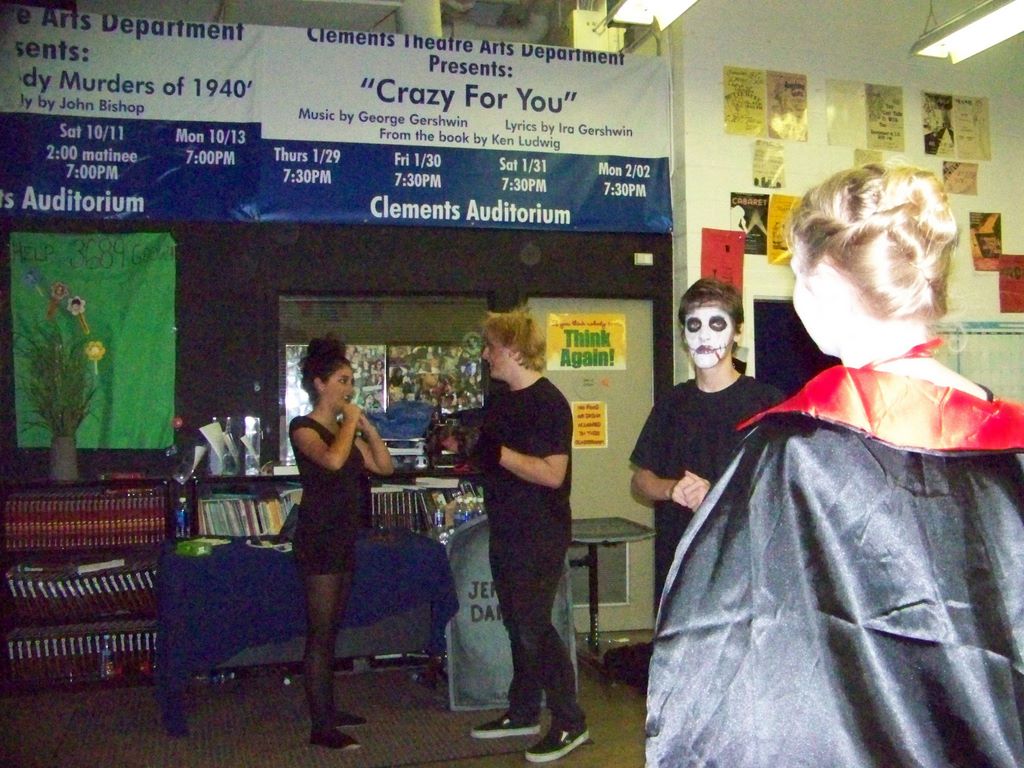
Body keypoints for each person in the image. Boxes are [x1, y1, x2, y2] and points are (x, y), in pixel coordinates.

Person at [645, 163, 1024, 767]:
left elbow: (729, 661)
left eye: (797, 276)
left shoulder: (794, 453)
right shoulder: (1008, 447)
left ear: (822, 283)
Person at [460, 307, 589, 763]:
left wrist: (498, 453)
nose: (485, 355)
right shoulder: (500, 401)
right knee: (516, 621)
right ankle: (523, 709)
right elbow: (492, 460)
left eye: (491, 347)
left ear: (513, 349)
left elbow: (553, 474)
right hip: (506, 527)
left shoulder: (549, 403)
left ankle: (570, 719)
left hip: (540, 531)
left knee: (534, 623)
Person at [630, 278, 782, 604]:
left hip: (742, 573)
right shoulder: (672, 403)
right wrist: (672, 489)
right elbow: (641, 480)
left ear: (737, 332)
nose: (704, 336)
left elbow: (781, 490)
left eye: (716, 324)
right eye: (694, 325)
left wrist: (716, 496)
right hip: (679, 567)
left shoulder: (766, 403)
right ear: (683, 335)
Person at [290, 335, 394, 750]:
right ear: (320, 384)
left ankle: (328, 709)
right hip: (318, 540)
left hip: (343, 538)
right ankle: (321, 727)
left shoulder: (344, 431)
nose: (350, 389)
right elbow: (332, 461)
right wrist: (349, 422)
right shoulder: (304, 428)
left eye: (351, 381)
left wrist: (367, 428)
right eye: (342, 381)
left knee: (332, 630)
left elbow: (384, 467)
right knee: (319, 634)